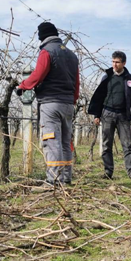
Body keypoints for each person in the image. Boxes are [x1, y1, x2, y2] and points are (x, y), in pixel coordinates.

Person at [17, 22, 80, 185]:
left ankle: (53, 180)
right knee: (66, 141)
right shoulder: (72, 56)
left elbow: (38, 75)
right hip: (68, 104)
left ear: (42, 36)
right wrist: (72, 100)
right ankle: (66, 178)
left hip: (50, 103)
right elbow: (76, 83)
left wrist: (23, 86)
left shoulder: (47, 52)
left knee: (51, 140)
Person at [88, 51, 131, 179]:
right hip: (107, 113)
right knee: (106, 144)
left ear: (124, 63)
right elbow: (100, 96)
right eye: (113, 62)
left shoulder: (129, 79)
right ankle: (108, 171)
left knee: (127, 144)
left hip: (123, 115)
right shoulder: (107, 77)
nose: (114, 64)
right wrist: (97, 115)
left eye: (117, 62)